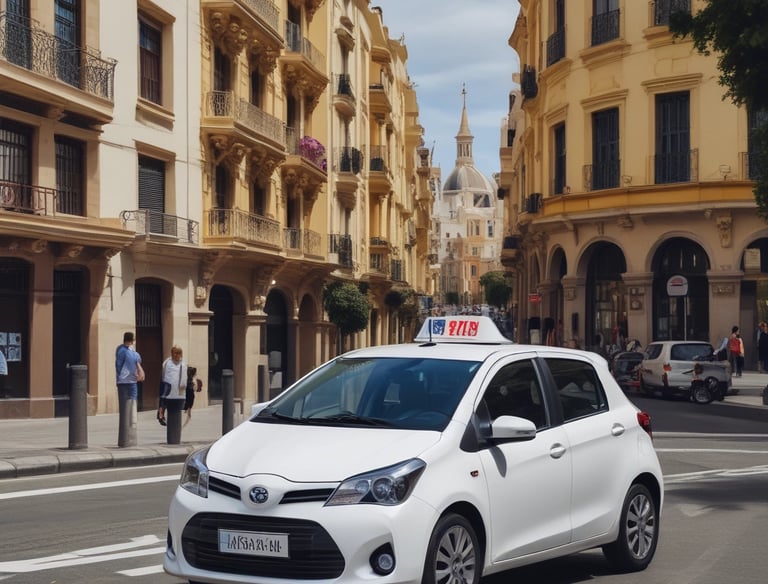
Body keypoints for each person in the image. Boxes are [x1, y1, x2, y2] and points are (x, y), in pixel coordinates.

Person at [157, 346, 187, 426]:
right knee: (163, 400)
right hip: (168, 385)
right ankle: (160, 415)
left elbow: (183, 379)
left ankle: (161, 415)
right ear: (172, 353)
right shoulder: (167, 362)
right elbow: (164, 374)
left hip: (175, 388)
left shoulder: (182, 364)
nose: (177, 355)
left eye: (179, 353)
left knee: (164, 400)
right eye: (175, 353)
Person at [115, 331, 143, 403]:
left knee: (125, 404)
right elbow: (138, 359)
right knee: (130, 403)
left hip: (126, 381)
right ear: (132, 340)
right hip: (127, 381)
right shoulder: (125, 350)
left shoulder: (122, 349)